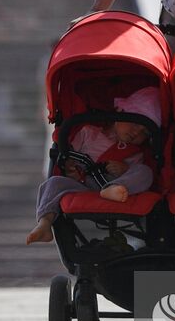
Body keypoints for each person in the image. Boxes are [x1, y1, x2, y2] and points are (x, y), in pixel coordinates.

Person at [25, 87, 160, 244]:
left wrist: (125, 169)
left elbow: (136, 177)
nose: (137, 133)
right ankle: (45, 223)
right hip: (82, 184)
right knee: (53, 183)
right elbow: (70, 156)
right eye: (135, 124)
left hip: (117, 188)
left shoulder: (135, 153)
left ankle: (114, 188)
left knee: (145, 172)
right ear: (119, 111)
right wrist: (70, 168)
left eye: (144, 132)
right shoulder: (88, 132)